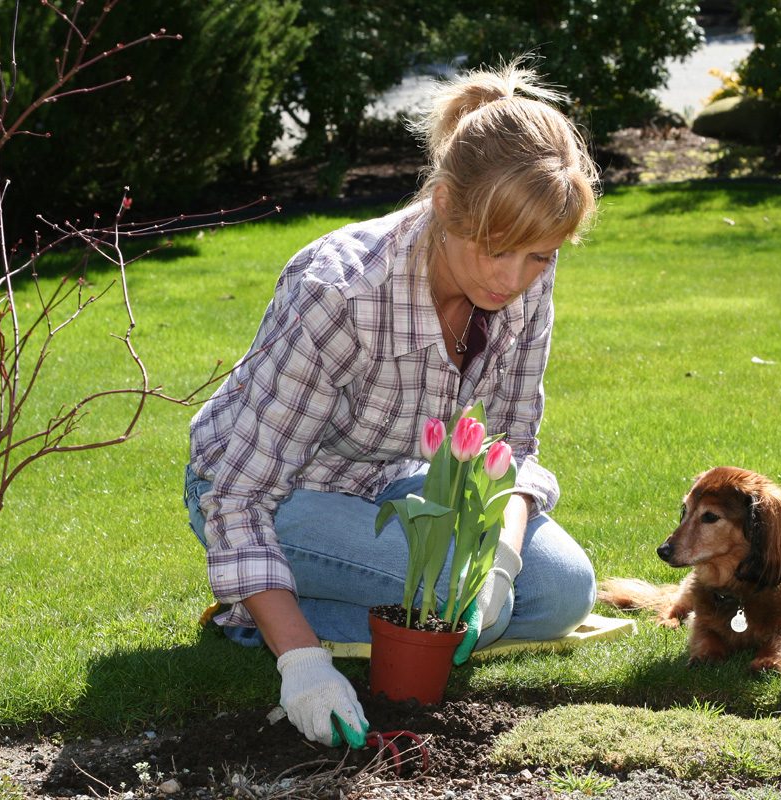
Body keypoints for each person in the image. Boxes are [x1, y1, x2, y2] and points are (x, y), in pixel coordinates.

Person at [184, 60, 600, 749]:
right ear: (443, 206)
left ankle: (261, 609)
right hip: (268, 494)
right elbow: (241, 493)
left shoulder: (524, 276)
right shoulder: (340, 292)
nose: (514, 279)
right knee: (447, 599)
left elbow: (512, 445)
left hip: (386, 484)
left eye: (540, 258)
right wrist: (302, 664)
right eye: (498, 251)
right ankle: (270, 616)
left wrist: (500, 559)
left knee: (561, 591)